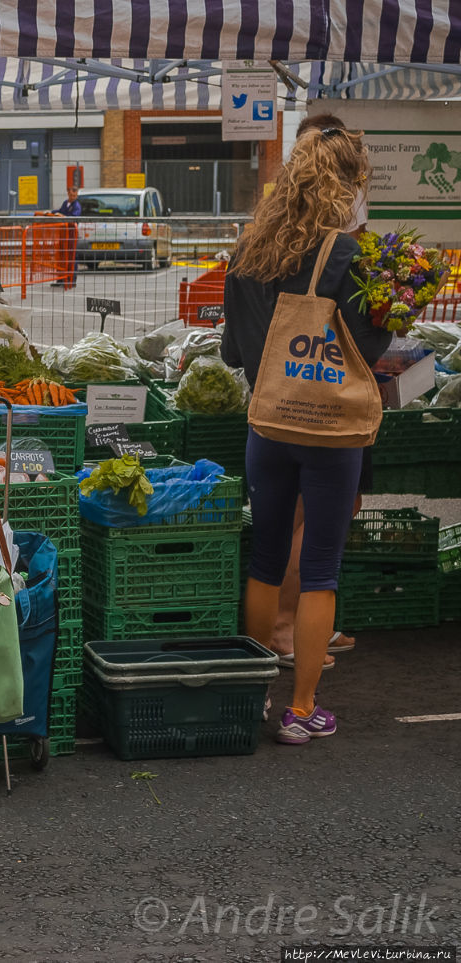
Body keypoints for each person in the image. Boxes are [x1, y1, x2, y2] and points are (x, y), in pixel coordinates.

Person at [221, 126, 390, 746]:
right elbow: (368, 351)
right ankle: (301, 708)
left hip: (268, 424)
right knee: (320, 569)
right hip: (331, 431)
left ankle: (251, 696)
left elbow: (234, 350)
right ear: (347, 186)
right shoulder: (350, 258)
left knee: (265, 560)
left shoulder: (250, 251)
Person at [269, 114, 372, 668]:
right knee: (315, 544)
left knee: (275, 540)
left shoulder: (267, 239)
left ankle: (267, 649)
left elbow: (241, 344)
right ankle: (297, 669)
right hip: (324, 411)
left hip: (273, 405)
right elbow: (362, 344)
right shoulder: (339, 252)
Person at [50, 185, 80, 289]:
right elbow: (60, 211)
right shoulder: (65, 203)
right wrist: (51, 213)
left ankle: (71, 279)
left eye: (75, 195)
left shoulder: (76, 205)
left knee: (71, 257)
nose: (73, 197)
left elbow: (74, 216)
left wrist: (62, 216)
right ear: (68, 194)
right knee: (62, 256)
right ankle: (61, 278)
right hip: (63, 234)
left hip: (71, 234)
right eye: (71, 195)